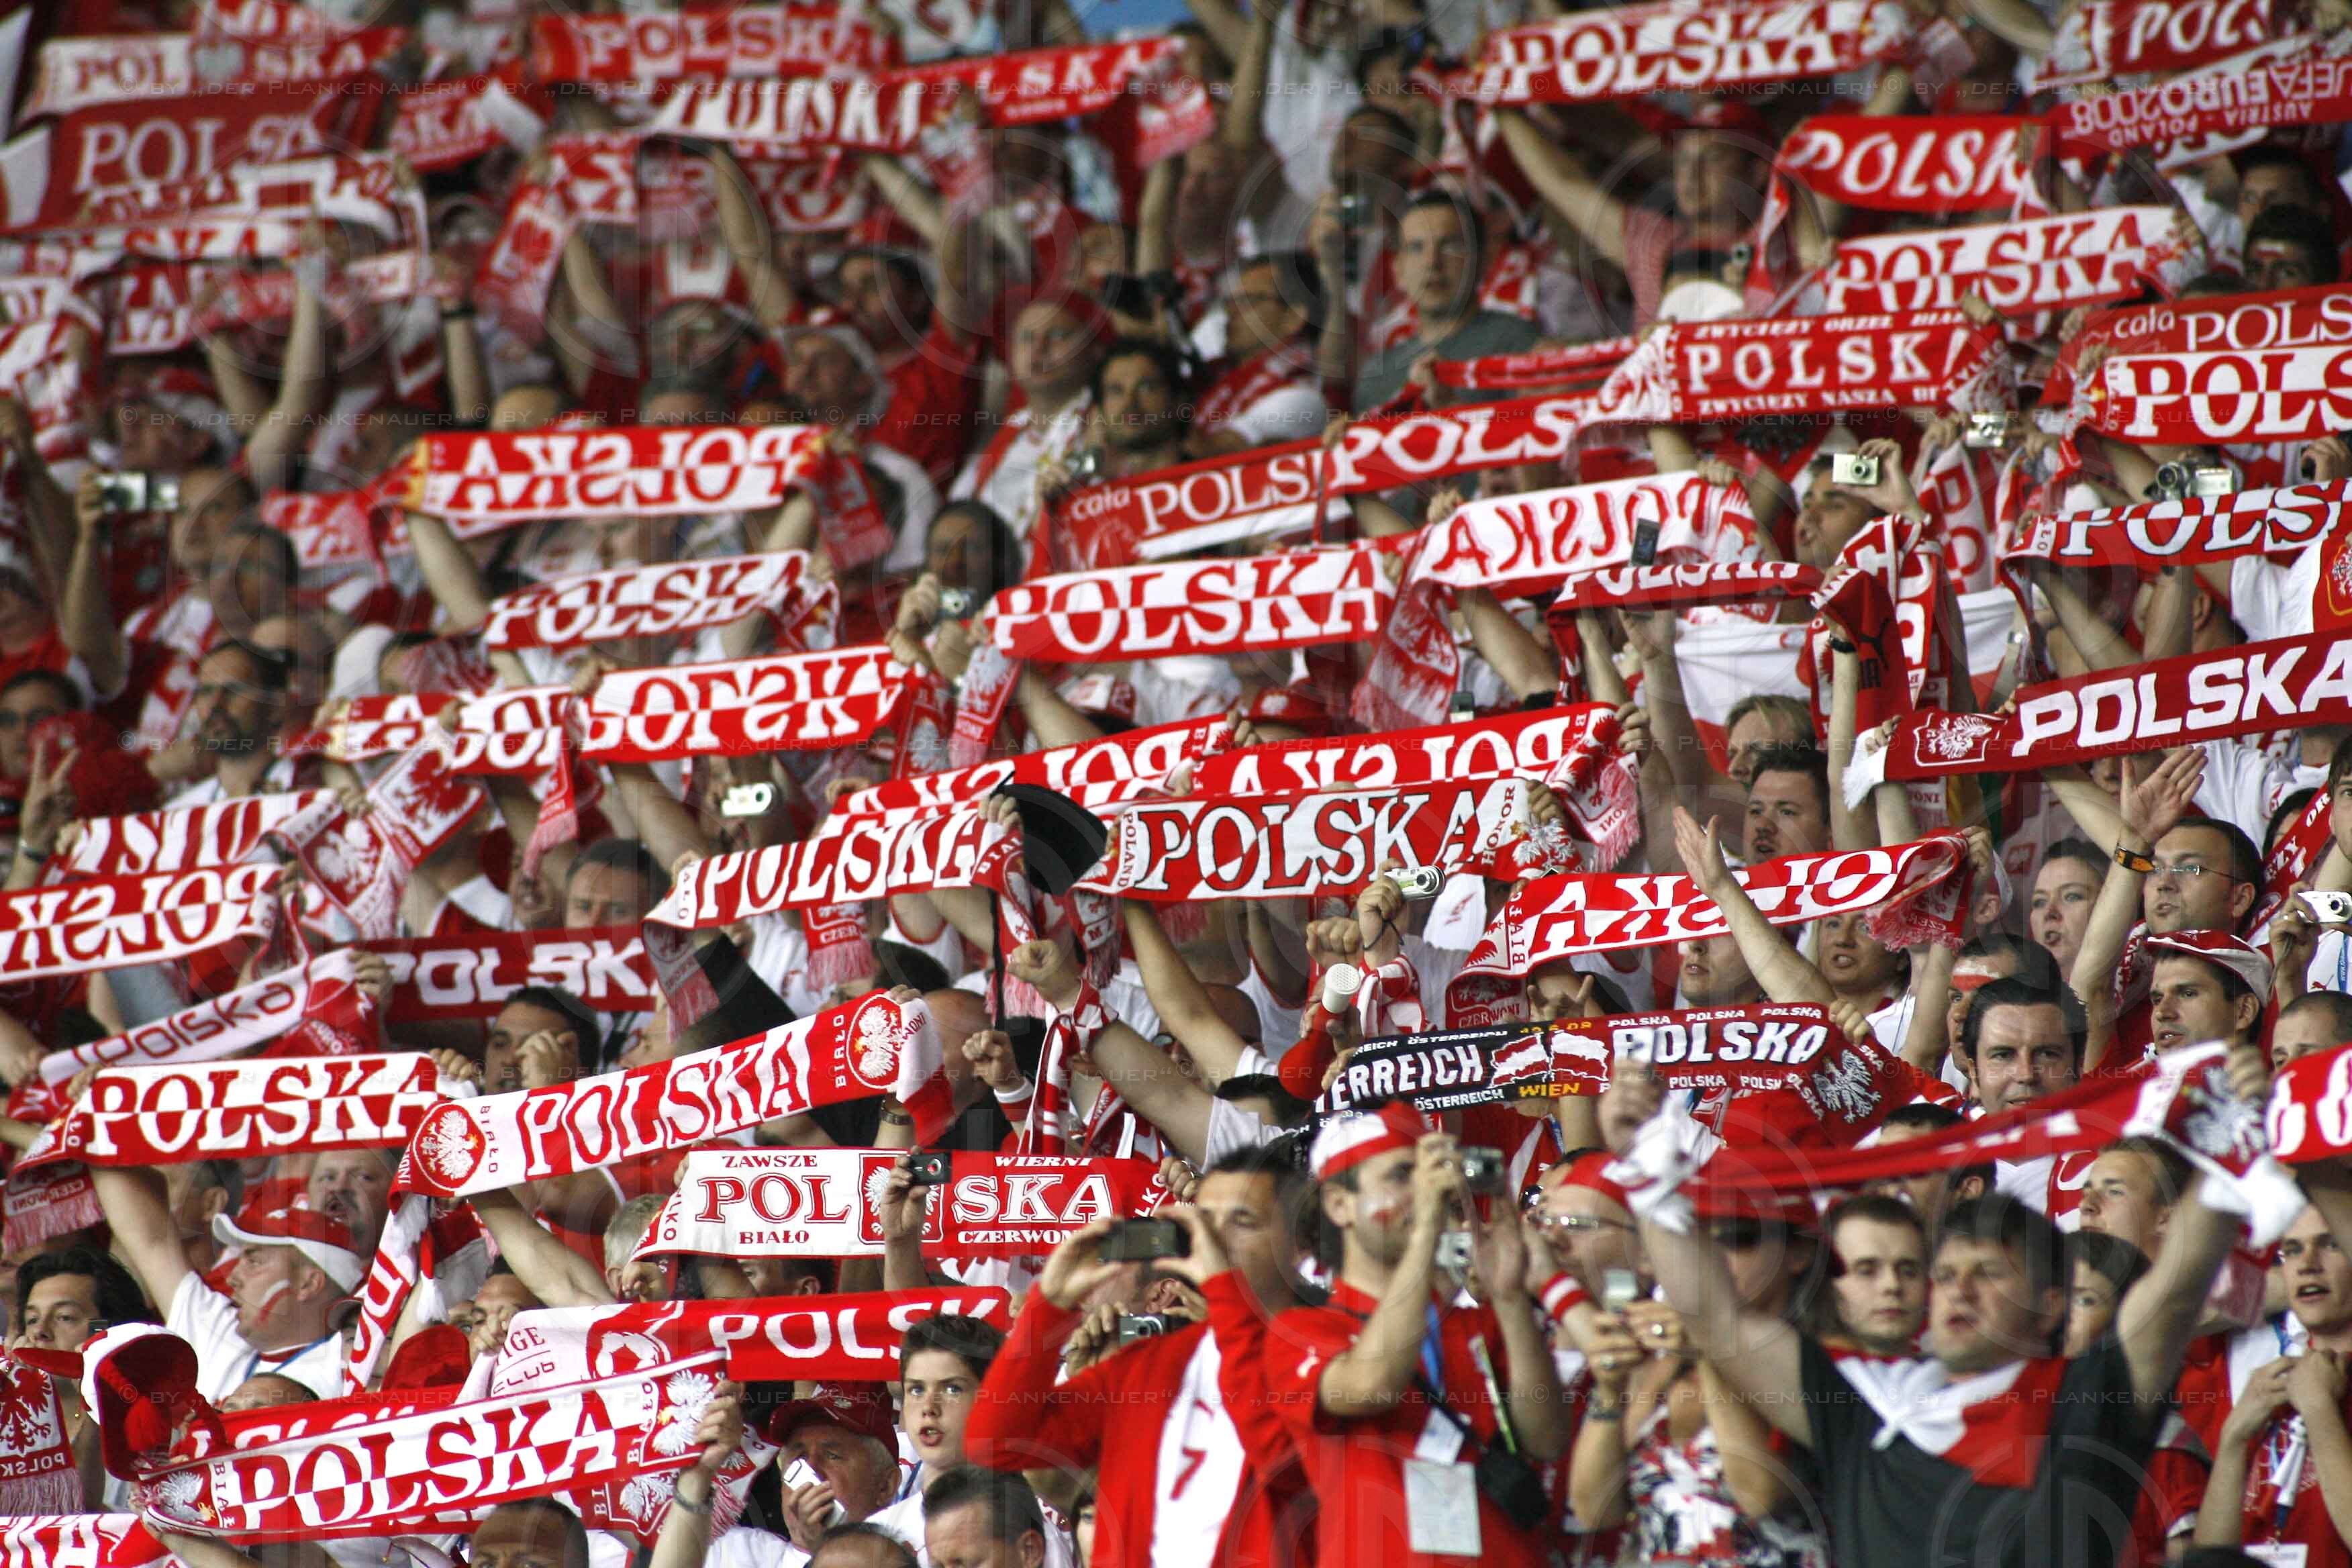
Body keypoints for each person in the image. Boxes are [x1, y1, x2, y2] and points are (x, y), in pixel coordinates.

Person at [1602, 1046, 2255, 1568]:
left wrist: (2226, 1146)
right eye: (1945, 1273)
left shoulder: (2090, 1397)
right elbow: (1717, 1318)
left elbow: (2174, 1290)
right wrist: (1650, 1167)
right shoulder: (1866, 1395)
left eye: (1989, 1272)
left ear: (2050, 1303)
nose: (1960, 1288)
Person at [1257, 1102, 1567, 1565]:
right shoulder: (1301, 1330)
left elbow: (1548, 1440)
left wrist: (1509, 1298)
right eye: (1401, 1176)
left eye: (1425, 1178)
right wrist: (1426, 1231)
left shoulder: (1473, 1324)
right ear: (1340, 1205)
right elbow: (1372, 1385)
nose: (1424, 1193)